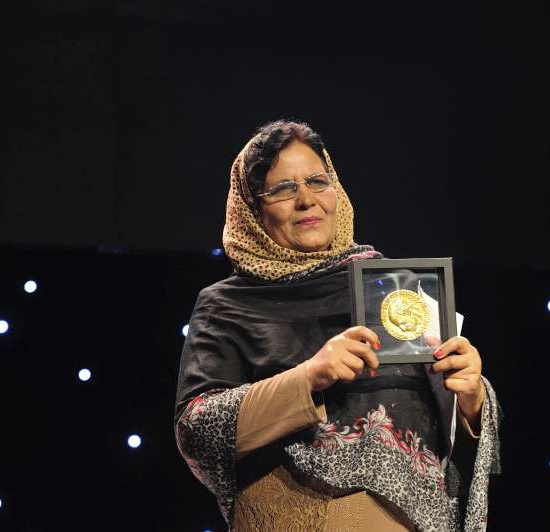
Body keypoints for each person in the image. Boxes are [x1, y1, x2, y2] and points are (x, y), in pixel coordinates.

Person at [174, 120, 501, 531]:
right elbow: (196, 431)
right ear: (251, 209)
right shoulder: (227, 305)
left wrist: (472, 398)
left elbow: (452, 436)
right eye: (282, 189)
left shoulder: (395, 287)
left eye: (316, 181)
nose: (306, 200)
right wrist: (308, 377)